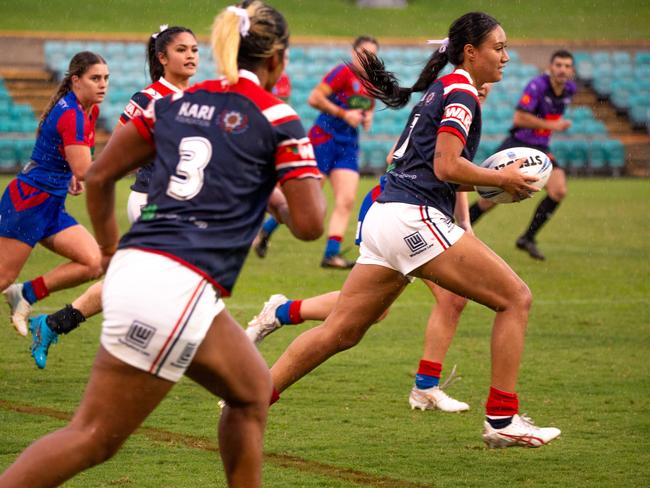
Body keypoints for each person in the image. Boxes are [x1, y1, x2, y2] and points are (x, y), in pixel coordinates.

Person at [0, 2, 325, 486]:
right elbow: (310, 224)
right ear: (277, 60)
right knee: (93, 436)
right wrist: (276, 193)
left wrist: (110, 250)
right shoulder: (278, 117)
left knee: (253, 390)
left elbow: (103, 174)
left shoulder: (173, 102)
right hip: (176, 285)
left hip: (147, 269)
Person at [264, 12, 563, 449]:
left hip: (389, 214)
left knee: (340, 333)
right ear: (470, 52)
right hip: (413, 218)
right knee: (516, 298)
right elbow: (444, 165)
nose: (506, 56)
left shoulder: (443, 88)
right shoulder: (461, 92)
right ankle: (502, 419)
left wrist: (495, 184)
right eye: (498, 48)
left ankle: (251, 397)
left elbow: (428, 167)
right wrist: (502, 180)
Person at [247, 84, 495, 414]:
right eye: (480, 88)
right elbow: (404, 159)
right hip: (397, 208)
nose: (483, 92)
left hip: (416, 213)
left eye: (487, 92)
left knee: (376, 311)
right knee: (450, 298)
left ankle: (282, 312)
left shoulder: (458, 110)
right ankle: (425, 387)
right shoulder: (447, 107)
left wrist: (464, 222)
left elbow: (451, 174)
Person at [28, 25, 200, 370]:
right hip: (151, 202)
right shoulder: (147, 99)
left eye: (195, 49)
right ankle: (154, 351)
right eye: (182, 50)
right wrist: (96, 179)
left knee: (139, 281)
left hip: (179, 205)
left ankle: (54, 323)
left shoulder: (197, 100)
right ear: (162, 58)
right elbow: (117, 153)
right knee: (185, 280)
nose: (191, 55)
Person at [1, 52, 109, 337]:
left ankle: (24, 293)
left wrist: (73, 174)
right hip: (28, 202)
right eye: (95, 78)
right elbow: (86, 169)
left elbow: (75, 163)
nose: (103, 85)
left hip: (51, 205)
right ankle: (16, 289)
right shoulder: (72, 114)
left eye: (106, 78)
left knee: (92, 262)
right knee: (2, 276)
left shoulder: (89, 110)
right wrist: (128, 160)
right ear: (76, 81)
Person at [253, 36, 379, 268]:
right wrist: (343, 115)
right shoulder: (342, 73)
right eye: (363, 53)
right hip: (324, 139)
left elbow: (365, 108)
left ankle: (331, 254)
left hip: (348, 144)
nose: (367, 59)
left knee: (347, 199)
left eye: (372, 54)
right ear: (353, 53)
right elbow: (315, 98)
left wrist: (367, 117)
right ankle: (266, 230)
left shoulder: (371, 82)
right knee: (308, 200)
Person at [468, 50, 576, 260]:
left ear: (572, 71)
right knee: (489, 199)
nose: (562, 70)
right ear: (550, 67)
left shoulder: (570, 89)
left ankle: (527, 238)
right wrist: (550, 125)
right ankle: (458, 232)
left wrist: (548, 128)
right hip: (518, 145)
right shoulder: (537, 86)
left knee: (558, 190)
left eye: (567, 66)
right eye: (559, 65)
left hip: (541, 148)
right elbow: (519, 118)